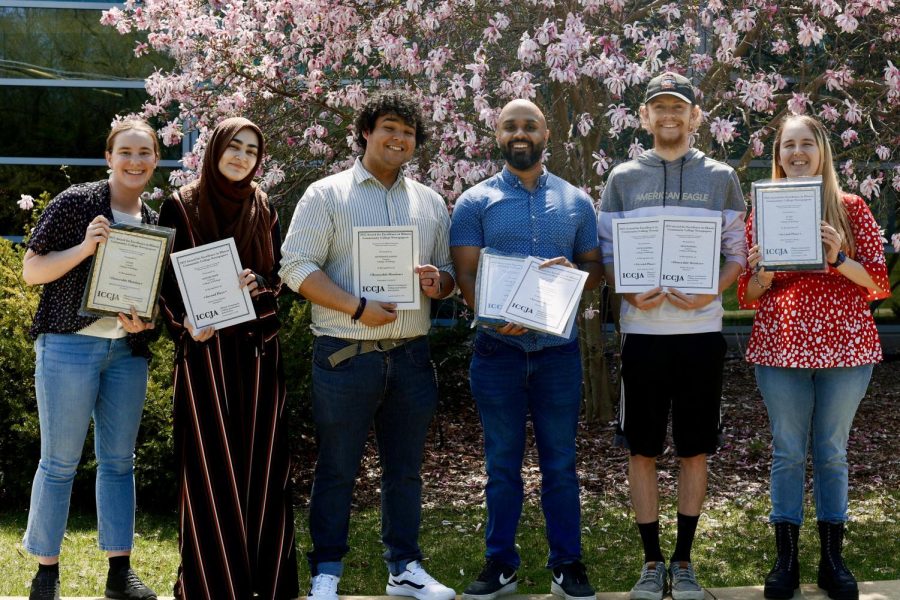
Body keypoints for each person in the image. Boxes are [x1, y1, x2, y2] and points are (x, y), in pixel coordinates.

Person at [279, 88, 456, 600]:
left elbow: (447, 275)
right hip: (344, 355)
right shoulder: (326, 194)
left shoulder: (428, 203)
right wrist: (356, 307)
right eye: (389, 129)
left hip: (411, 357)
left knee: (405, 471)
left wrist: (436, 284)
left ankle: (404, 568)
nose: (399, 139)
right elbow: (296, 268)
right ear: (365, 132)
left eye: (408, 132)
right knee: (337, 467)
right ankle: (326, 573)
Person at [598, 72, 747, 600]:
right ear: (644, 116)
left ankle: (683, 562)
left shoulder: (722, 176)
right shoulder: (621, 177)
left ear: (694, 117)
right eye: (658, 107)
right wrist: (626, 290)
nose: (668, 116)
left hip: (701, 332)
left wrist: (713, 293)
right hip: (642, 334)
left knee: (694, 449)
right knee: (641, 450)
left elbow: (736, 254)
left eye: (678, 108)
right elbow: (609, 254)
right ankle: (651, 562)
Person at [450, 99, 603, 600]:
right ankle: (500, 565)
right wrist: (492, 316)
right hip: (498, 353)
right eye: (510, 126)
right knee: (501, 464)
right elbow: (466, 274)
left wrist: (572, 278)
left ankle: (568, 564)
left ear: (546, 133)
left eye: (530, 125)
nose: (520, 133)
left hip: (557, 353)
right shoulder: (475, 202)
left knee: (560, 462)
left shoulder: (577, 201)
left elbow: (593, 269)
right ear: (497, 135)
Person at [738, 114, 889, 600]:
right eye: (787, 145)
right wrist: (759, 271)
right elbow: (748, 294)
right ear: (777, 156)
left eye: (806, 144)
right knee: (786, 452)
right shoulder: (761, 211)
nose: (797, 153)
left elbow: (879, 284)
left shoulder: (851, 208)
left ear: (822, 151)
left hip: (844, 345)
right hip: (781, 345)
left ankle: (831, 559)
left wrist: (839, 257)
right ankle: (785, 558)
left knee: (830, 451)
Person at [157, 117, 299, 599]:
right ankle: (212, 585)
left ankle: (266, 583)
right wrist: (183, 325)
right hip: (205, 356)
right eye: (233, 147)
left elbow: (276, 275)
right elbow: (165, 283)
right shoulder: (180, 205)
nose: (241, 156)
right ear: (214, 149)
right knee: (209, 468)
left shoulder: (264, 206)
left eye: (251, 150)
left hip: (257, 357)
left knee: (263, 469)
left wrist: (256, 283)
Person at [21, 118, 160, 600]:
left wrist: (148, 320)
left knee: (120, 462)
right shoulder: (77, 203)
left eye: (145, 153)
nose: (135, 161)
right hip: (68, 346)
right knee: (59, 462)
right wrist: (85, 246)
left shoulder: (157, 217)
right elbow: (32, 271)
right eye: (126, 152)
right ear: (108, 157)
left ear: (156, 160)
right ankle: (46, 572)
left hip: (126, 352)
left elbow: (156, 295)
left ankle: (120, 572)